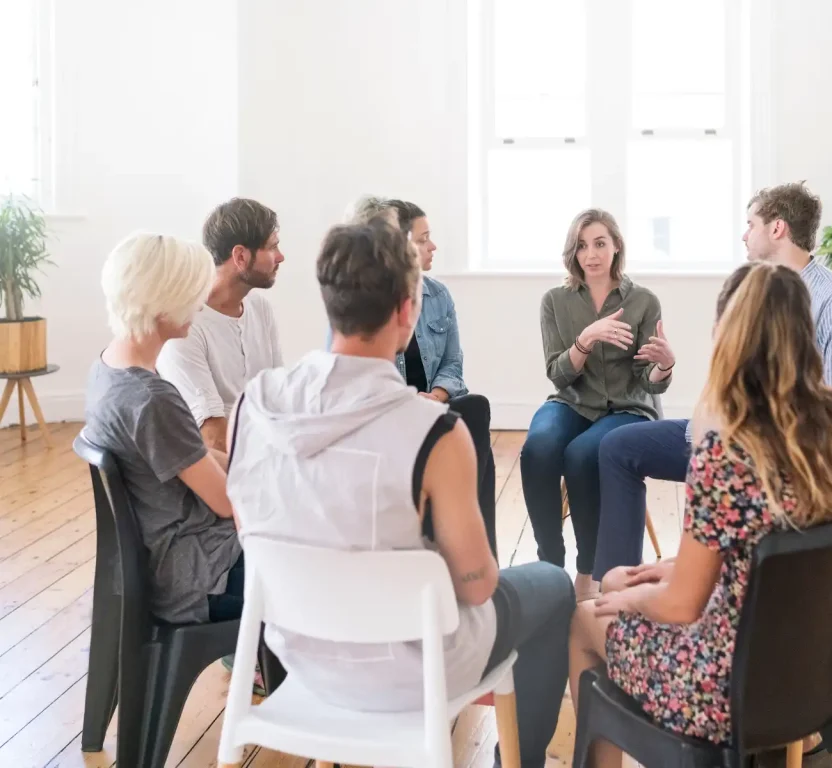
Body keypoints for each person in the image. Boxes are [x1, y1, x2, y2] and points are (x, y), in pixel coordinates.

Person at [227, 220, 575, 768]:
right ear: (407, 309)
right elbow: (479, 585)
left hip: (301, 658)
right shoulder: (434, 432)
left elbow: (250, 531)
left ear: (329, 302)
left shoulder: (255, 404)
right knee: (555, 585)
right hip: (413, 673)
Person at [569, 262, 832, 768]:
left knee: (588, 616)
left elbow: (681, 607)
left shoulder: (728, 452)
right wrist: (661, 573)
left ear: (726, 336)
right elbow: (769, 552)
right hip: (818, 675)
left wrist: (635, 593)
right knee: (629, 581)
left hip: (725, 690)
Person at [593, 182, 832, 584]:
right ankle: (615, 582)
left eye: (751, 223)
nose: (744, 234)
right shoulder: (753, 289)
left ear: (777, 229)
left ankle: (690, 582)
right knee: (617, 447)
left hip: (766, 456)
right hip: (721, 438)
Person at [81, 232, 242, 626]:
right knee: (312, 556)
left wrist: (248, 464)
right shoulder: (152, 399)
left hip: (168, 563)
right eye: (192, 296)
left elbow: (197, 457)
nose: (200, 305)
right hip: (198, 578)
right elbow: (227, 503)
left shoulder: (107, 368)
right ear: (163, 306)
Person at [521, 209, 674, 601]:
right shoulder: (555, 301)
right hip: (572, 400)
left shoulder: (642, 301)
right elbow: (558, 375)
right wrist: (585, 340)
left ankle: (586, 572)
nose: (591, 254)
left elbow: (647, 381)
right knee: (537, 448)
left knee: (582, 454)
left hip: (626, 406)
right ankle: (548, 564)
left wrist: (664, 365)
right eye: (582, 245)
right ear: (572, 252)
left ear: (616, 246)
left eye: (600, 243)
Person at [389, 199, 498, 556]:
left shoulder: (438, 296)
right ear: (400, 245)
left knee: (476, 408)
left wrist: (433, 398)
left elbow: (453, 364)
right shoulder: (374, 302)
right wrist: (410, 403)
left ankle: (477, 547)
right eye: (423, 239)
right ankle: (469, 550)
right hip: (393, 415)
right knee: (472, 423)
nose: (432, 246)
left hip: (435, 407)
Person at [157, 198, 284, 453]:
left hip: (266, 453)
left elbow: (278, 396)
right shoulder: (184, 326)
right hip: (227, 471)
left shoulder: (260, 308)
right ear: (240, 256)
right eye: (272, 248)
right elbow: (212, 438)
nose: (281, 257)